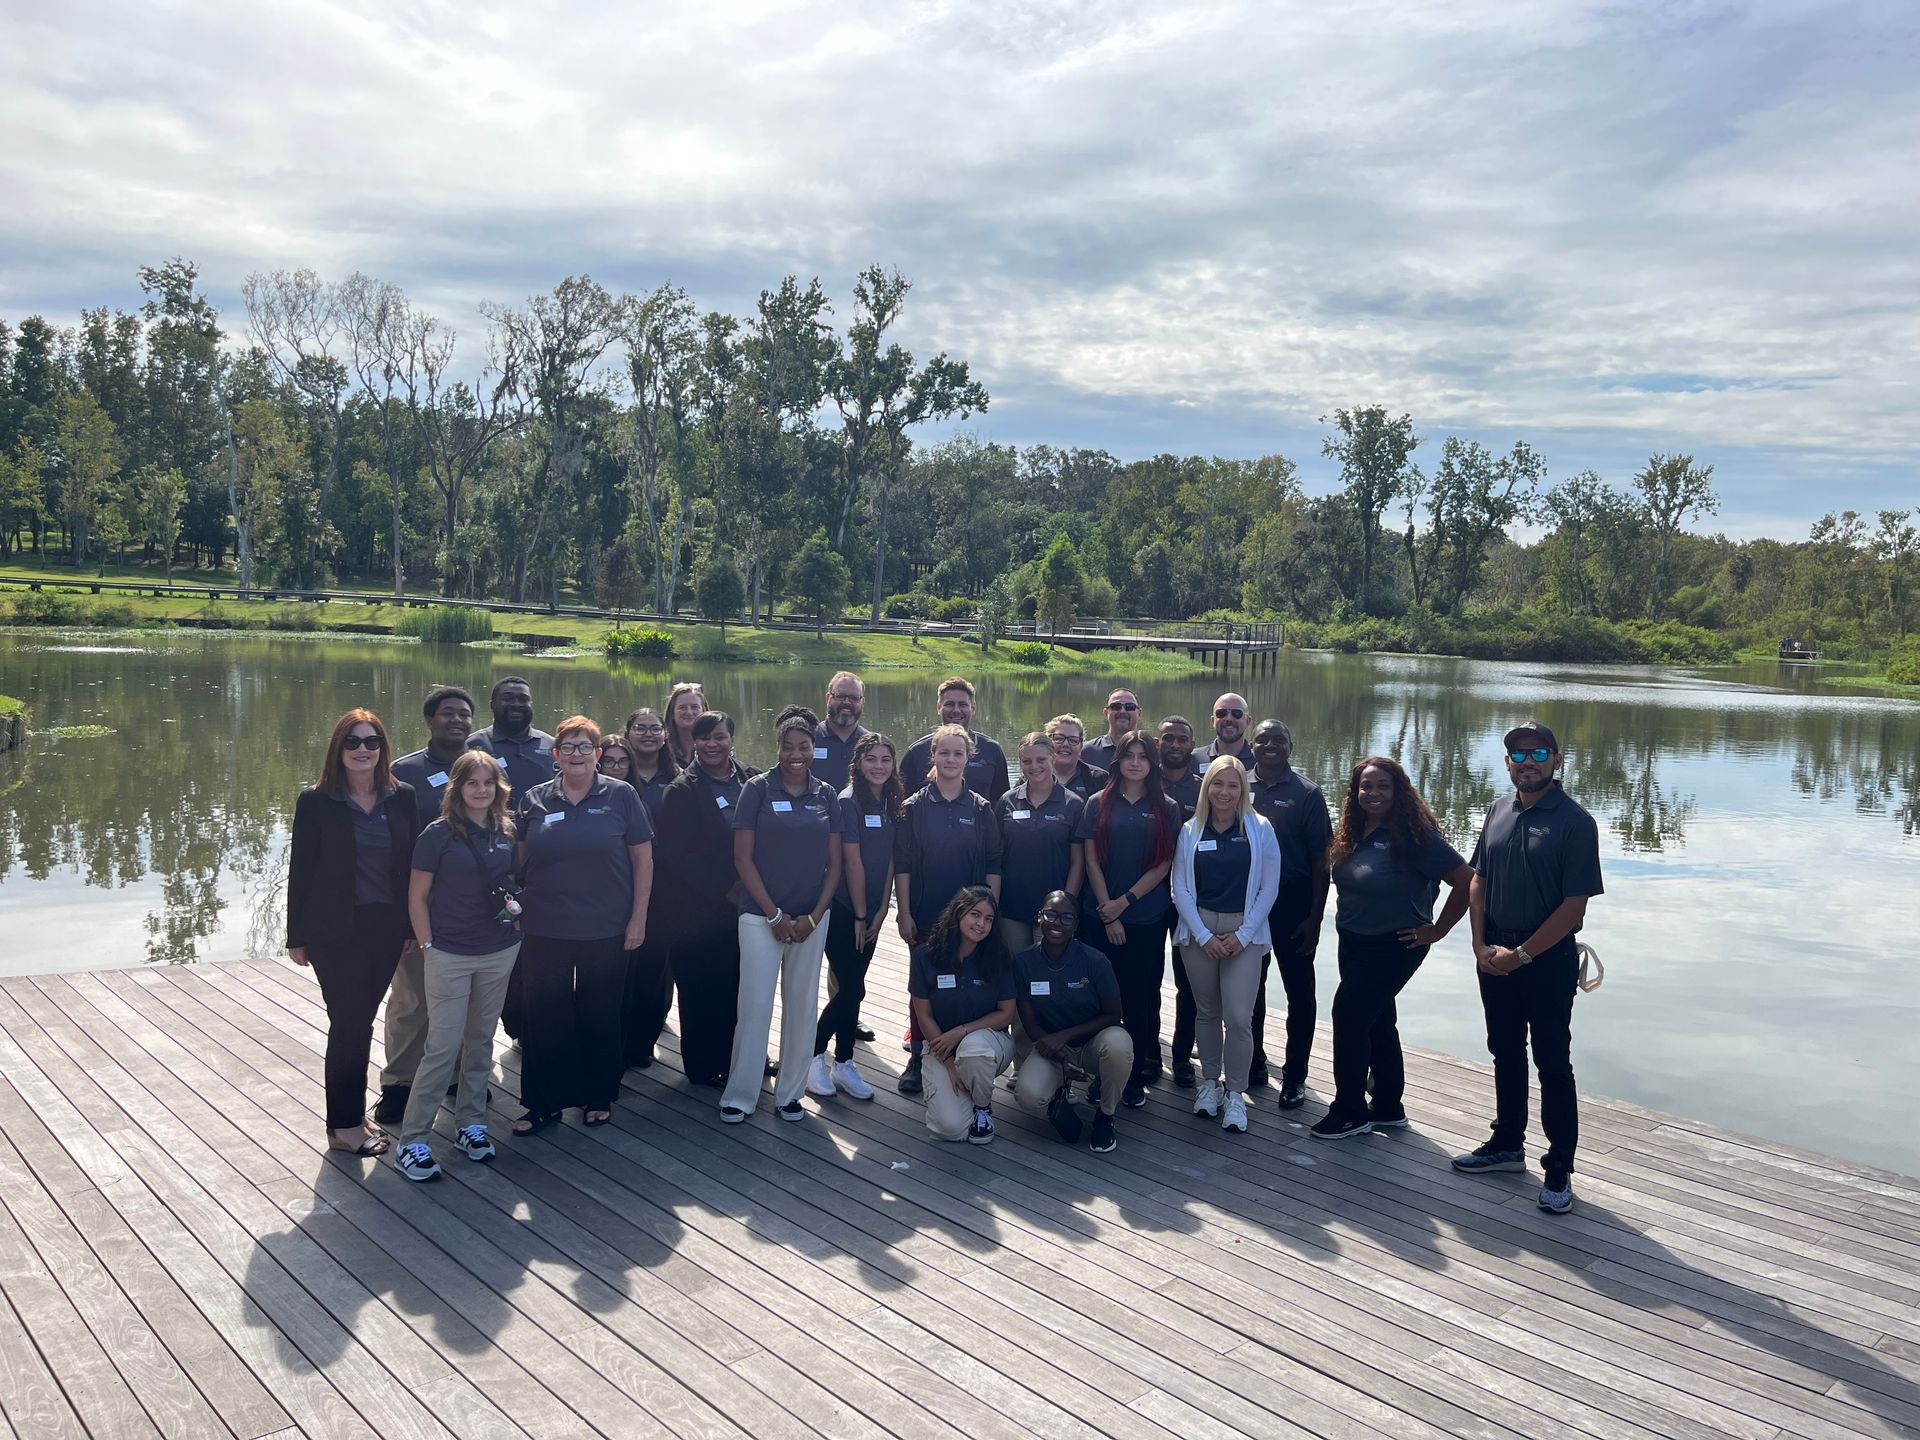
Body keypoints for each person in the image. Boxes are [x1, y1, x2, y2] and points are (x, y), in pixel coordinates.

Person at [1455, 722, 1604, 1215]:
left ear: (1558, 760)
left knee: (1553, 1064)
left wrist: (1521, 956)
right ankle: (1506, 1145)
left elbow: (1574, 908)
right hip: (1492, 954)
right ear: (1507, 763)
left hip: (1544, 960)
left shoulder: (1575, 823)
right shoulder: (1498, 810)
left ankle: (1559, 1167)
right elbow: (1478, 880)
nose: (1528, 761)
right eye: (1518, 754)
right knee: (1504, 1052)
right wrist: (1479, 943)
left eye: (1539, 752)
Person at [1311, 756, 1473, 1142]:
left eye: (1383, 785)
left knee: (1348, 1015)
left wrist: (1437, 929)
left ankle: (1350, 1112)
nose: (1374, 793)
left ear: (1399, 790)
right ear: (1355, 793)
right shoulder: (1353, 831)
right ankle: (1386, 1105)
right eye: (1366, 786)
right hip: (1354, 939)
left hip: (1396, 943)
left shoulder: (1415, 837)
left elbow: (1467, 880)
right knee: (1378, 1018)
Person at [286, 710, 419, 1157]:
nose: (362, 749)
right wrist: (296, 935)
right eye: (352, 742)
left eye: (372, 741)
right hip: (332, 932)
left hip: (384, 928)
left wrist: (409, 926)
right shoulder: (317, 801)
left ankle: (349, 1115)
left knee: (357, 1021)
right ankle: (344, 1126)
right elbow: (300, 871)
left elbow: (409, 871)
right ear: (337, 749)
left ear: (383, 749)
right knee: (349, 1023)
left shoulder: (403, 799)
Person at [511, 717, 652, 1134]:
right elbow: (520, 861)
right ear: (556, 755)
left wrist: (638, 919)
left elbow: (643, 860)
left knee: (600, 1014)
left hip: (606, 927)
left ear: (598, 755)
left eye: (584, 747)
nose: (576, 754)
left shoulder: (621, 795)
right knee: (544, 1015)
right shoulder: (535, 799)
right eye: (568, 747)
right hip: (545, 927)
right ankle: (542, 1102)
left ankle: (598, 1095)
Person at [393, 751, 522, 1182]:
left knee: (481, 1038)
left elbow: (512, 886)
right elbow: (417, 896)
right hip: (449, 952)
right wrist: (428, 943)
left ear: (499, 788)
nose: (482, 790)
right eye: (473, 783)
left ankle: (471, 1124)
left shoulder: (507, 830)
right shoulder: (437, 834)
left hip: (500, 949)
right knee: (443, 1047)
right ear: (458, 789)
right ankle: (412, 1139)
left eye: (489, 783)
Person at [722, 710, 843, 1124]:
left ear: (814, 749)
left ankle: (790, 1095)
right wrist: (774, 915)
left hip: (811, 919)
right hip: (760, 917)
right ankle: (741, 1094)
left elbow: (836, 866)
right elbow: (742, 858)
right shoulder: (756, 789)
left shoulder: (826, 794)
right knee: (754, 1005)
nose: (796, 754)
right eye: (788, 746)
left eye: (804, 746)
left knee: (802, 1006)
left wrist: (813, 916)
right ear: (778, 748)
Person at [378, 684, 477, 1126]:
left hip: (472, 912)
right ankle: (399, 1083)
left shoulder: (482, 769)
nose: (456, 721)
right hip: (420, 908)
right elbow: (391, 848)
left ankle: (458, 1078)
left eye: (464, 715)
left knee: (467, 1001)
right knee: (412, 1001)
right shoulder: (404, 773)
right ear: (430, 721)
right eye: (448, 714)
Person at [1170, 756, 1281, 1135]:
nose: (1225, 792)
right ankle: (1210, 1084)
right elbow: (1179, 887)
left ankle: (1236, 1092)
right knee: (1206, 1011)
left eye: (1233, 785)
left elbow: (1270, 887)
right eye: (1218, 784)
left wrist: (1243, 935)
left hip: (1243, 932)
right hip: (1199, 930)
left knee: (1237, 1017)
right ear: (1207, 788)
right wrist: (1202, 934)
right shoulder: (1191, 830)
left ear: (1243, 790)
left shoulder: (1260, 828)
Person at [894, 723, 1004, 1095]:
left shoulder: (981, 808)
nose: (951, 759)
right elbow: (903, 864)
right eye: (944, 752)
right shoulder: (913, 807)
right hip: (926, 914)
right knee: (923, 987)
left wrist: (991, 913)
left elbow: (993, 863)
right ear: (934, 757)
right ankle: (919, 1054)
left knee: (967, 981)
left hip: (970, 917)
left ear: (968, 758)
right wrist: (904, 911)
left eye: (958, 753)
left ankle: (963, 1049)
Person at [1077, 731, 1181, 1106]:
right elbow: (1090, 859)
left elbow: (1163, 863)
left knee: (1140, 999)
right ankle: (1100, 1075)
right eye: (1128, 755)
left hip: (1145, 920)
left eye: (1142, 756)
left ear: (1152, 762)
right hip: (1099, 916)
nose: (1135, 762)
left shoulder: (1166, 807)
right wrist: (1108, 910)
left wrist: (1126, 902)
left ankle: (1134, 1077)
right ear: (1117, 760)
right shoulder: (1097, 803)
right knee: (1100, 998)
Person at [655, 712, 753, 1088]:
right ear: (693, 742)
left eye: (719, 737)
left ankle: (740, 1056)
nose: (712, 744)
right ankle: (702, 1066)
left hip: (745, 906)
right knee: (700, 989)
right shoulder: (681, 790)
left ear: (731, 739)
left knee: (740, 985)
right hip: (696, 910)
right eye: (704, 738)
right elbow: (677, 856)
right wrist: (725, 889)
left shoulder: (750, 778)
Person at [1246, 719, 1334, 1105]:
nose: (1270, 745)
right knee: (1250, 988)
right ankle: (1254, 1062)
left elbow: (1321, 862)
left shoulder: (1307, 794)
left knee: (1300, 992)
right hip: (1248, 903)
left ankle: (1295, 1075)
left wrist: (1315, 918)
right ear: (1252, 745)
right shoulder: (1235, 783)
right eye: (1262, 739)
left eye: (1278, 739)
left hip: (1295, 902)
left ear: (1290, 746)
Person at [809, 731, 899, 1101]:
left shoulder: (893, 801)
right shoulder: (847, 802)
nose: (878, 767)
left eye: (885, 760)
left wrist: (882, 909)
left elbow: (894, 858)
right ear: (857, 764)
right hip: (845, 909)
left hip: (874, 911)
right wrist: (862, 914)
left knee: (853, 991)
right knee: (852, 989)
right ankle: (813, 1056)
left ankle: (844, 1063)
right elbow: (852, 862)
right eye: (871, 759)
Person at [1012, 891, 1132, 1154]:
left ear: (1076, 925)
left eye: (1067, 918)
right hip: (1052, 1049)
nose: (1057, 923)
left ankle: (1105, 1114)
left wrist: (1064, 1036)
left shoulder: (1095, 961)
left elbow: (1114, 1015)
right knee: (1028, 1096)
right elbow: (1030, 1023)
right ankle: (1060, 1089)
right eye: (1051, 914)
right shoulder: (1023, 962)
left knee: (1119, 1043)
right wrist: (1058, 1055)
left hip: (1092, 1045)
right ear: (1040, 917)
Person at [909, 888, 1017, 1143]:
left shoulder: (999, 957)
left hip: (988, 1044)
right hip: (940, 1047)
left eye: (989, 919)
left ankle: (982, 1109)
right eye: (975, 914)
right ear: (958, 914)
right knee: (949, 1129)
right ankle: (965, 1092)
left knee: (973, 1049)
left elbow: (1007, 1014)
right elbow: (923, 1015)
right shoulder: (925, 955)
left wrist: (962, 1031)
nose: (981, 924)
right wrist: (947, 1063)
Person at [621, 707, 678, 1068]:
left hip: (665, 890)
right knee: (620, 969)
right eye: (640, 727)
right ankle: (614, 1040)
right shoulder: (614, 776)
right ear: (627, 733)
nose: (647, 734)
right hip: (616, 887)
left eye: (654, 728)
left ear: (665, 734)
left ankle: (642, 1042)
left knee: (655, 971)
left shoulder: (677, 780)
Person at [995, 732, 1086, 958]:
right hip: (1012, 908)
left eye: (1041, 760)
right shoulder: (1007, 801)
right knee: (1015, 972)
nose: (1034, 766)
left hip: (1053, 912)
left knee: (1048, 973)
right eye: (1027, 761)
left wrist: (1067, 905)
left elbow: (1078, 862)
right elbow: (995, 858)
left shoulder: (1073, 804)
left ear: (1053, 758)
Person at [899, 676, 1009, 801]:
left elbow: (1002, 803)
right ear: (939, 707)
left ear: (973, 708)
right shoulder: (916, 752)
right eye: (950, 704)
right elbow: (902, 804)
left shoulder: (992, 750)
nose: (956, 710)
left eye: (962, 705)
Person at [466, 676, 556, 797]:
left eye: (523, 699)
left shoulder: (552, 746)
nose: (516, 704)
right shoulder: (473, 745)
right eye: (508, 699)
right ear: (492, 705)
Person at [812, 671, 868, 788]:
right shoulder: (808, 738)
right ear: (828, 698)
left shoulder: (872, 744)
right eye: (840, 696)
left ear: (862, 702)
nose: (847, 702)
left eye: (854, 698)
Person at [1043, 714, 1109, 799]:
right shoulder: (1034, 775)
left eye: (1073, 740)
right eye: (1059, 738)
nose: (1065, 744)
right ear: (1048, 742)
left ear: (1081, 746)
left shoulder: (1099, 779)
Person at [1081, 690, 1141, 772]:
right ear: (1106, 713)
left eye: (1130, 707)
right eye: (1116, 707)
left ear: (1139, 714)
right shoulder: (1086, 751)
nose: (1122, 711)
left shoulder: (1151, 751)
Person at [1197, 691, 1254, 768]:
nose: (1228, 719)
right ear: (1213, 721)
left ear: (1248, 721)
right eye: (1221, 713)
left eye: (1236, 713)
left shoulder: (1260, 761)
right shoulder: (1194, 759)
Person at [663, 681, 706, 771]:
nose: (689, 712)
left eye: (695, 707)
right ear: (672, 713)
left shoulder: (717, 744)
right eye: (682, 708)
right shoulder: (661, 746)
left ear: (704, 711)